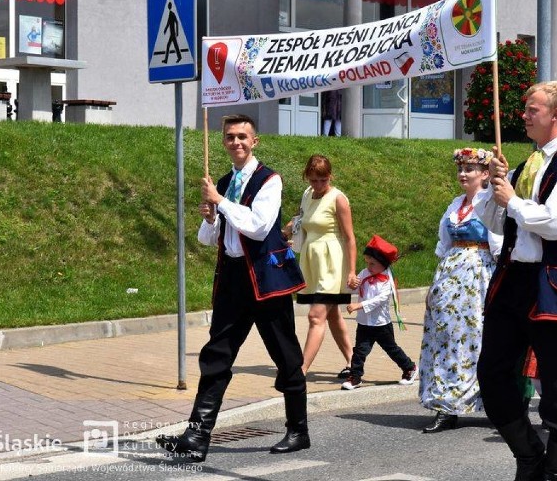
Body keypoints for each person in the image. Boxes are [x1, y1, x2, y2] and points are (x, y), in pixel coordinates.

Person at [155, 114, 309, 461]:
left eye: (242, 136)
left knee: (285, 354)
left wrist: (221, 202)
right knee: (216, 355)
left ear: (254, 141)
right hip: (233, 278)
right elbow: (211, 238)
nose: (236, 142)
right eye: (229, 137)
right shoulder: (223, 182)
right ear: (223, 142)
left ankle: (298, 429)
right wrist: (211, 217)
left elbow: (258, 227)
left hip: (267, 279)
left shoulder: (270, 180)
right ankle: (197, 437)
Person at [474, 81, 557, 481]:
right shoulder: (526, 165)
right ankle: (528, 452)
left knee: (554, 378)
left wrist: (512, 200)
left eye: (533, 109)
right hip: (514, 280)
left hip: (553, 283)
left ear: (555, 115)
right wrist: (493, 186)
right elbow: (492, 219)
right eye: (526, 108)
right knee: (492, 372)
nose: (525, 115)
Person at [418, 147, 502, 434]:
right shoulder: (455, 205)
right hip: (449, 278)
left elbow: (500, 248)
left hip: (478, 279)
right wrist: (434, 286)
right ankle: (445, 404)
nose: (463, 173)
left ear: (485, 174)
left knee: (474, 340)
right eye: (461, 169)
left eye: (469, 169)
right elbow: (443, 246)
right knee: (444, 339)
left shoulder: (492, 203)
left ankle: (488, 402)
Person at [293, 155, 358, 378]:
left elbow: (350, 237)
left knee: (315, 316)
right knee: (332, 316)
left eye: (323, 179)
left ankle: (300, 370)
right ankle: (353, 361)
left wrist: (351, 271)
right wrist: (283, 233)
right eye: (313, 180)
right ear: (307, 178)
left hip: (332, 262)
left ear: (330, 176)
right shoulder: (307, 195)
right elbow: (300, 221)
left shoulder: (338, 198)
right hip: (313, 260)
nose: (318, 185)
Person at [341, 235, 418, 390]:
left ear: (383, 264)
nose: (368, 266)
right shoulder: (364, 273)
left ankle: (409, 368)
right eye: (367, 262)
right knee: (360, 351)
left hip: (381, 323)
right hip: (364, 322)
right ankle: (355, 377)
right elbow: (354, 287)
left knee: (391, 349)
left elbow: (379, 300)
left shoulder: (387, 281)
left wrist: (359, 305)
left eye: (372, 263)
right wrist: (351, 283)